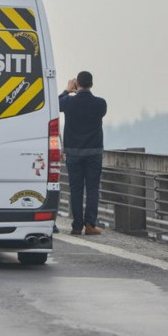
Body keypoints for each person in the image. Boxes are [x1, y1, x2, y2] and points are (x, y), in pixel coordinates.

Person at [59, 71, 107, 236]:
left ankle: (76, 226)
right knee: (93, 188)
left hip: (73, 153)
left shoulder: (68, 102)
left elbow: (56, 104)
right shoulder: (100, 104)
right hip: (94, 153)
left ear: (77, 84)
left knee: (76, 189)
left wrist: (67, 90)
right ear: (91, 84)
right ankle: (90, 225)